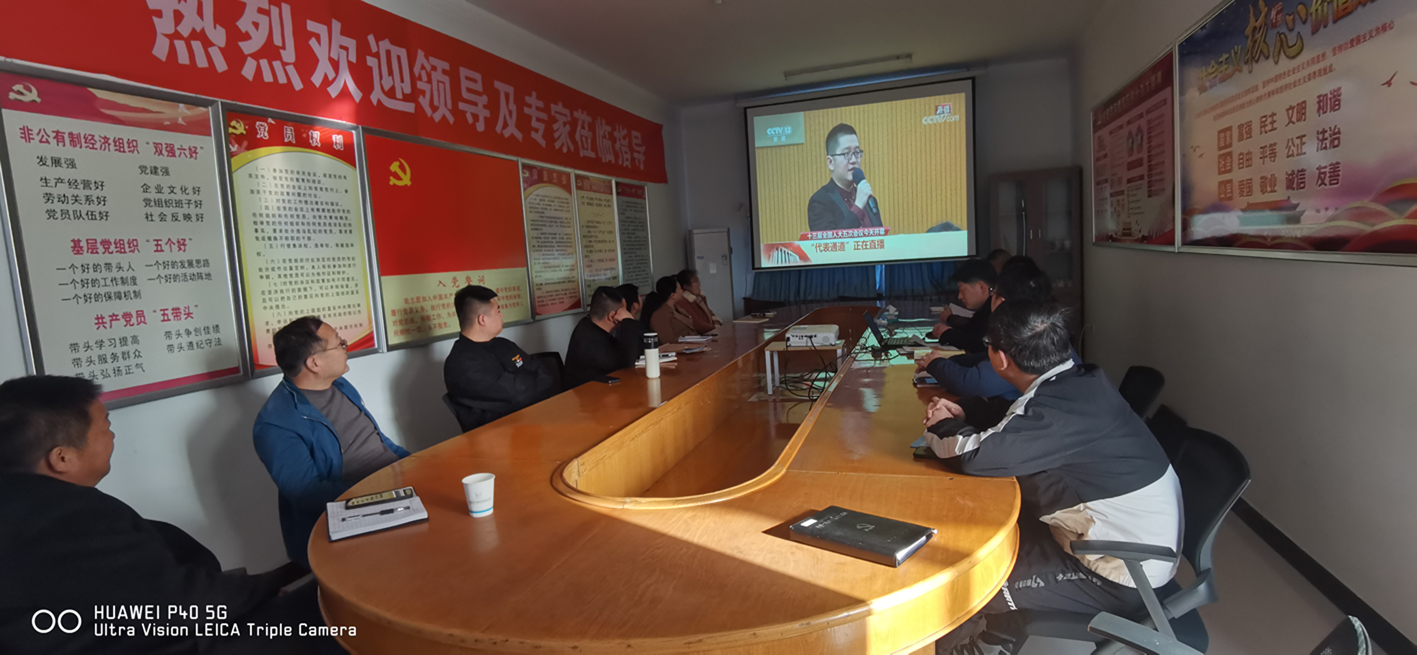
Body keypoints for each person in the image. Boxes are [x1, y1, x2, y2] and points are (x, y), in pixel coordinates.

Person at [0, 375, 335, 654]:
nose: (112, 434)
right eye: (105, 426)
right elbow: (184, 604)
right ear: (62, 458)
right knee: (335, 615)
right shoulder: (69, 520)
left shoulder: (23, 503)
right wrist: (272, 583)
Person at [923, 301, 1183, 655]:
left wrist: (940, 425)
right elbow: (1016, 418)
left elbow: (972, 456)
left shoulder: (1060, 408)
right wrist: (965, 411)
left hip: (1118, 573)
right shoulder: (1077, 381)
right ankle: (994, 641)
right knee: (980, 537)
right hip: (1119, 545)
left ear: (1000, 359)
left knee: (967, 580)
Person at [254, 317, 410, 568]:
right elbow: (306, 493)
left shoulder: (339, 385)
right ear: (314, 363)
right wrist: (382, 491)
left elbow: (377, 441)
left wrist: (414, 464)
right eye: (340, 344)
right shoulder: (276, 424)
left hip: (394, 489)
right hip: (356, 512)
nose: (346, 348)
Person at [918, 257, 1057, 401]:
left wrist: (936, 364)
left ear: (1001, 302)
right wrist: (947, 362)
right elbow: (986, 358)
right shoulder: (1046, 331)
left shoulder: (1026, 339)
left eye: (994, 293)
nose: (991, 297)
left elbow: (973, 383)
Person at [443, 285, 559, 432]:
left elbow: (545, 375)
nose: (501, 315)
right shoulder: (461, 364)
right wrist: (528, 379)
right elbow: (518, 396)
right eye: (498, 311)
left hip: (532, 422)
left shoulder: (503, 344)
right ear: (482, 319)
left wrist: (519, 383)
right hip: (498, 435)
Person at [807, 123, 883, 232]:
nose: (854, 160)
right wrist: (858, 207)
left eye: (857, 152)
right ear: (830, 162)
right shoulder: (820, 202)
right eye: (846, 154)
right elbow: (830, 242)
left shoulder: (869, 200)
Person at [563, 287, 640, 388]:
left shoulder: (587, 324)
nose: (626, 313)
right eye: (624, 311)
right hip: (590, 393)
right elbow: (628, 363)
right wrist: (629, 321)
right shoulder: (590, 341)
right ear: (612, 316)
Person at [931, 258, 997, 353]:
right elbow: (972, 329)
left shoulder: (997, 309)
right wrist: (946, 331)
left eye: (962, 290)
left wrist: (947, 334)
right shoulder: (985, 308)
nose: (960, 296)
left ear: (981, 287)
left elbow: (978, 343)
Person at [643, 275, 696, 343]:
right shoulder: (660, 315)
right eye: (680, 288)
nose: (682, 291)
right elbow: (668, 341)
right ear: (673, 295)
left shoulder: (677, 308)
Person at [675, 269, 721, 334]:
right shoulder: (683, 302)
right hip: (701, 336)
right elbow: (696, 323)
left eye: (698, 280)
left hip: (710, 333)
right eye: (695, 281)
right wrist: (714, 328)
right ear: (685, 286)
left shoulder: (699, 298)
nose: (699, 284)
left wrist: (717, 323)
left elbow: (710, 313)